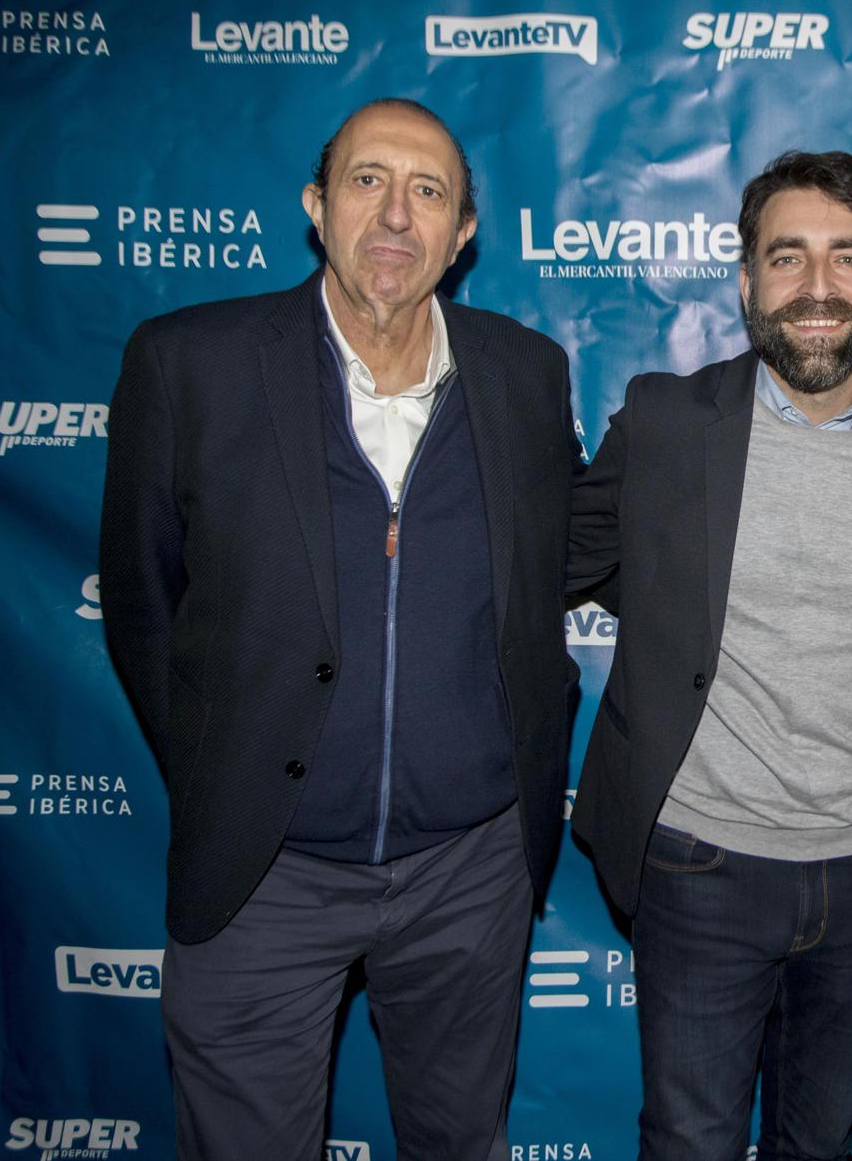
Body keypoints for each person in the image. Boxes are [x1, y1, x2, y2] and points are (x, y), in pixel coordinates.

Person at [99, 98, 580, 1160]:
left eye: (428, 191)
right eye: (368, 181)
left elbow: (555, 561)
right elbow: (141, 600)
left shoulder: (525, 372)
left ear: (464, 235)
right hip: (263, 873)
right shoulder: (191, 363)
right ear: (317, 207)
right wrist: (227, 766)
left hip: (470, 870)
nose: (395, 215)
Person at [566, 150, 852, 1160]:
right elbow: (562, 562)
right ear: (746, 282)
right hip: (700, 864)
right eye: (787, 258)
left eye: (846, 258)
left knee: (815, 1145)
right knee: (690, 1143)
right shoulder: (663, 421)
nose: (817, 287)